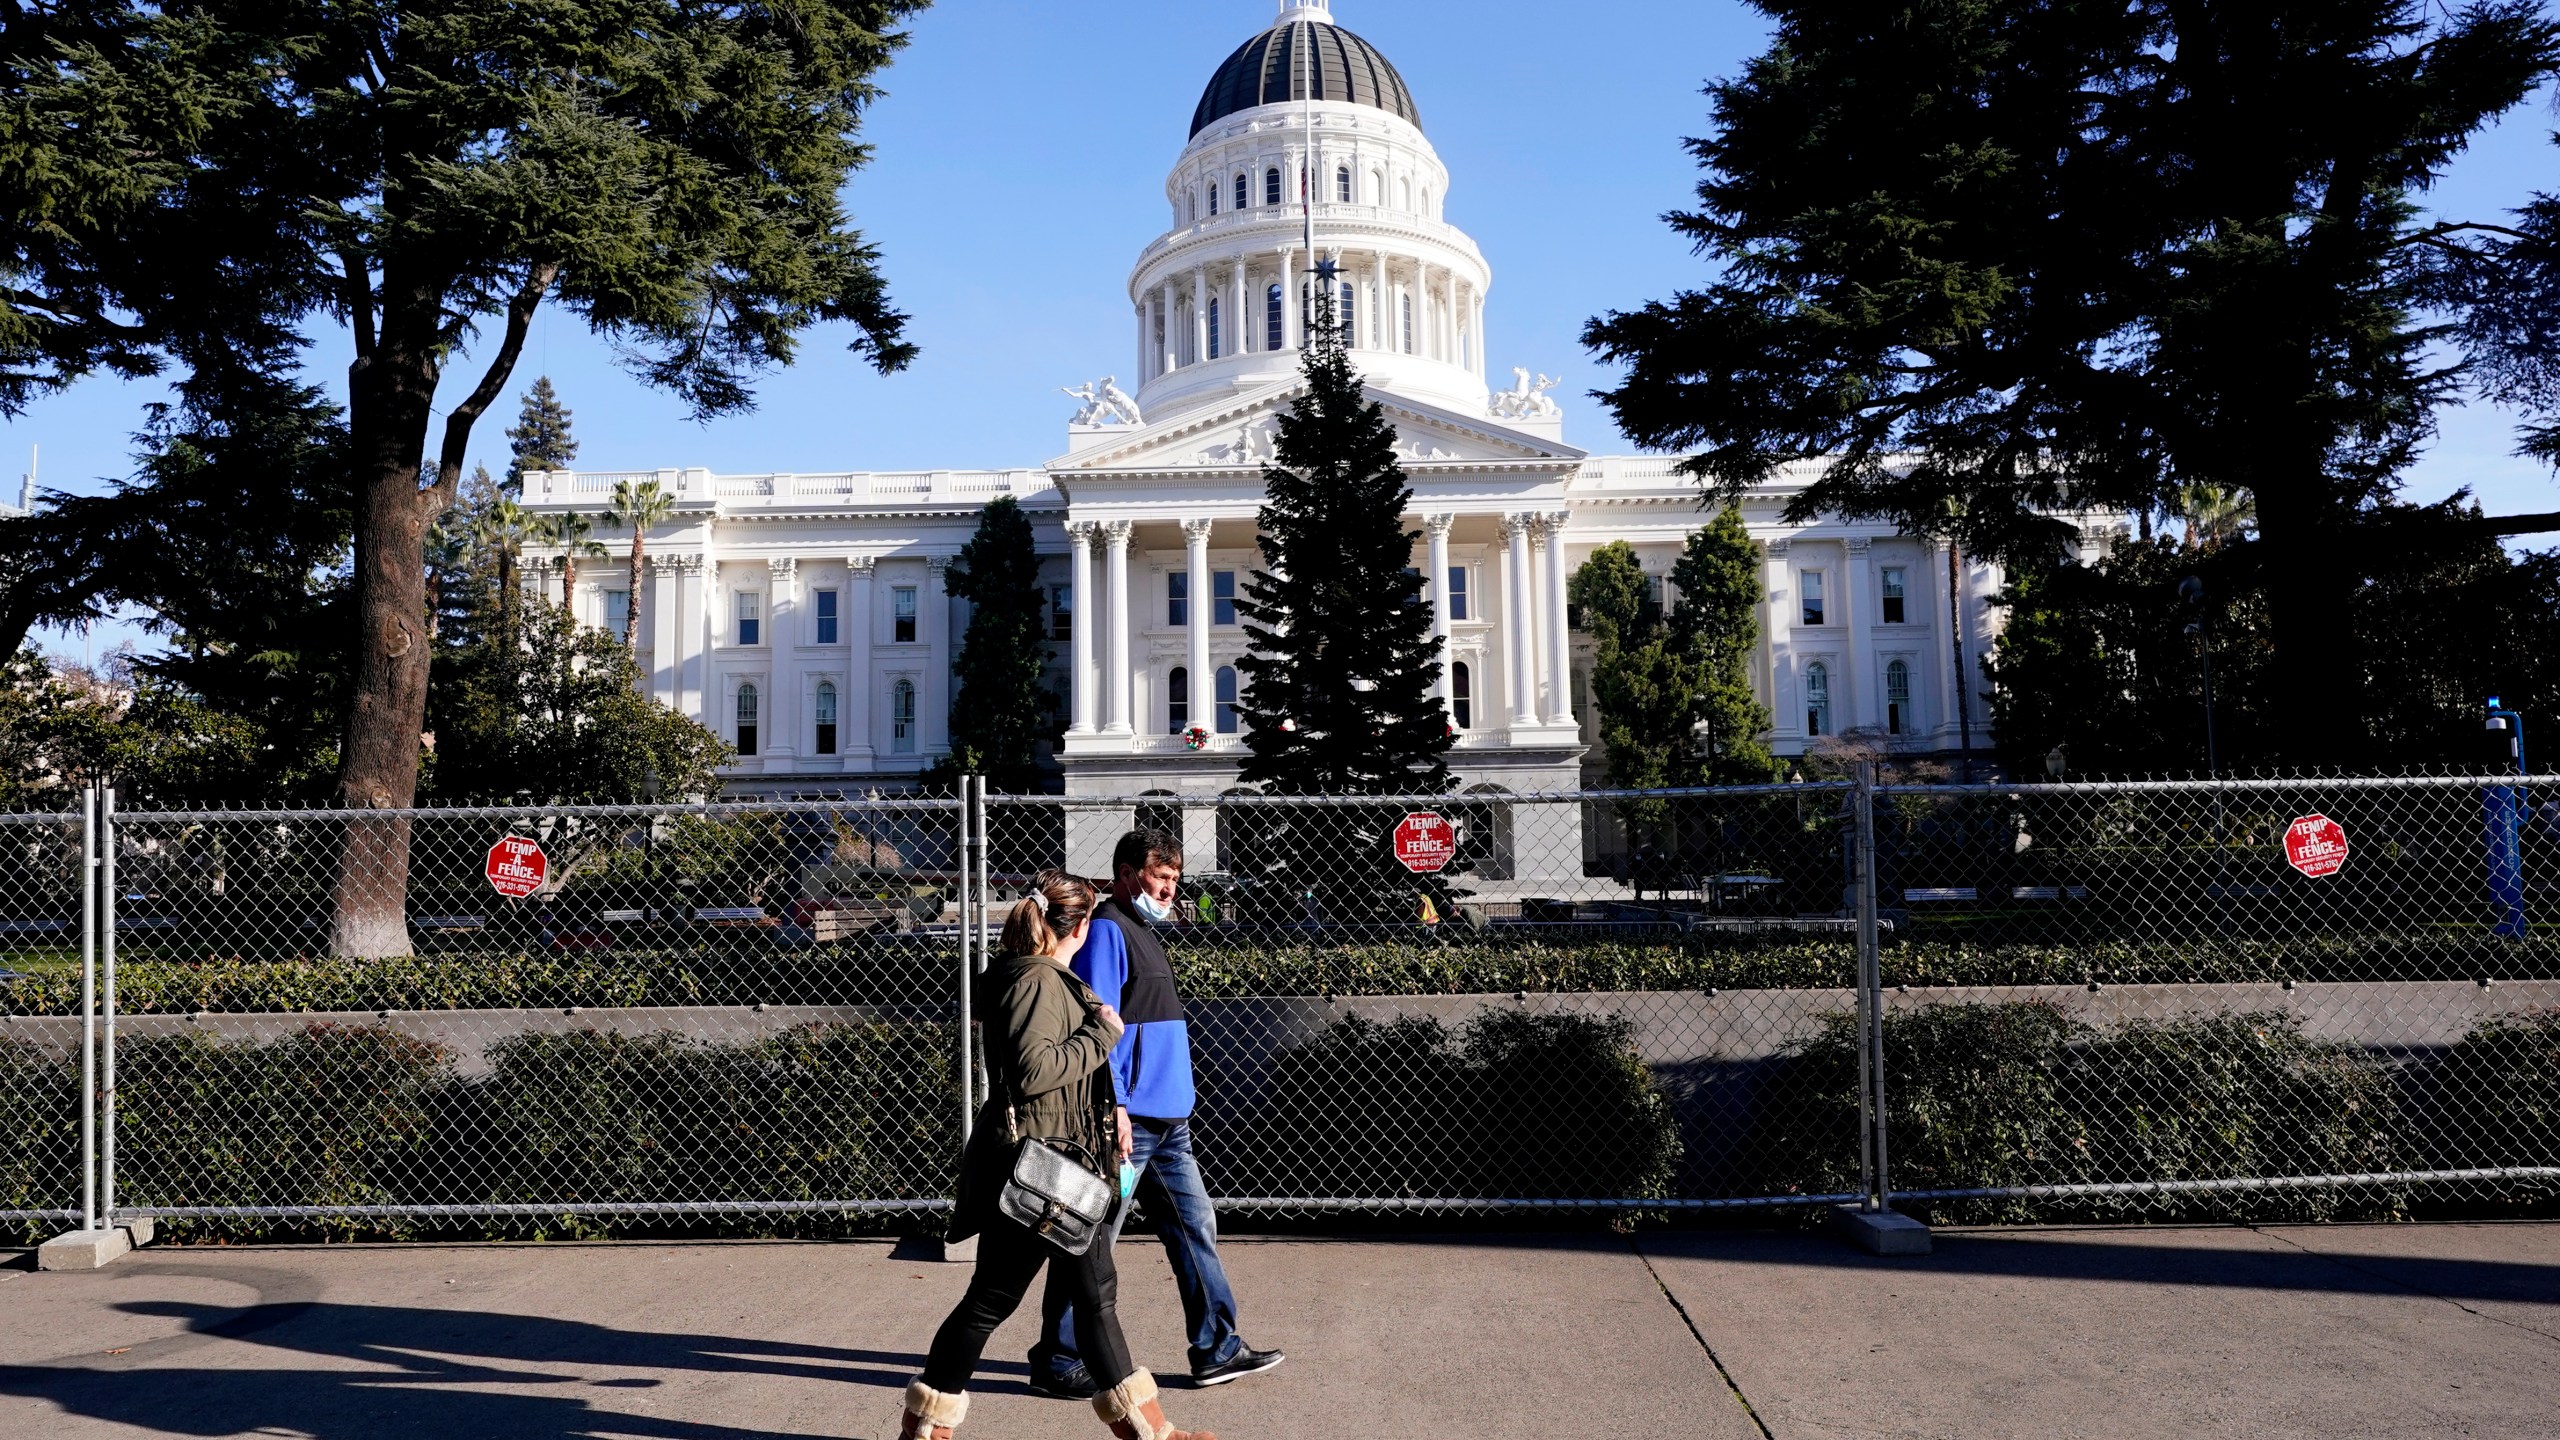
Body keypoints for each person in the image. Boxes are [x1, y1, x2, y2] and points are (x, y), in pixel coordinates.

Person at [901, 871, 1215, 1440]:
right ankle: (1151, 1433)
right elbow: (1034, 1072)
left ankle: (926, 1430)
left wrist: (1109, 1103)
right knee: (1031, 1301)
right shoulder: (1038, 982)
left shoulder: (1039, 977)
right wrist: (1102, 1037)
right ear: (1082, 926)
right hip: (1049, 1167)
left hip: (1050, 1163)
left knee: (1059, 1299)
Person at [1030, 828, 1284, 1398]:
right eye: (1160, 877)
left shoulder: (1143, 930)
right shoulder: (1112, 934)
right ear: (1127, 875)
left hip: (1168, 1121)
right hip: (1131, 1123)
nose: (1170, 888)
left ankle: (1217, 1349)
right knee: (1089, 1239)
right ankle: (1060, 1358)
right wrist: (1115, 1104)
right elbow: (1101, 1027)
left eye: (1174, 878)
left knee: (1195, 1228)